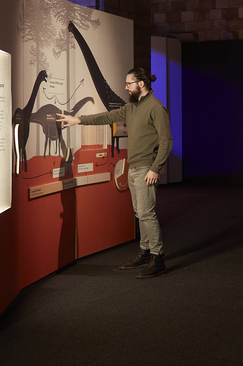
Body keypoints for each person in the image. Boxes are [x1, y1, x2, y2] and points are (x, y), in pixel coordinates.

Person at [57, 67, 172, 279]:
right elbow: (107, 117)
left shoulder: (156, 108)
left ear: (141, 84)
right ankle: (145, 252)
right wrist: (78, 120)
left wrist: (155, 168)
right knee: (139, 213)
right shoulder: (131, 108)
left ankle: (159, 258)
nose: (126, 87)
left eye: (129, 83)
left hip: (147, 168)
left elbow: (166, 142)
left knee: (147, 214)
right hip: (134, 167)